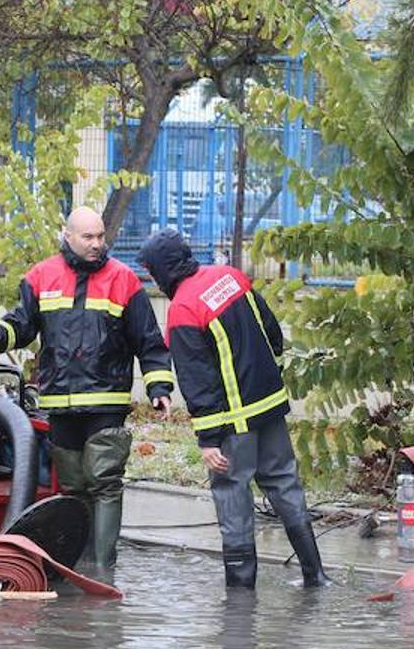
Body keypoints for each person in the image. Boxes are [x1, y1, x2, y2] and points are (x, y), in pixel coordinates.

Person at [0, 206, 174, 574]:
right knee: (74, 487)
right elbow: (21, 325)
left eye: (101, 237)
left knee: (104, 481)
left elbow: (149, 341)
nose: (96, 245)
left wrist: (158, 385)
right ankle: (77, 566)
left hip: (106, 400)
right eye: (88, 237)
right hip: (59, 402)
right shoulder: (41, 277)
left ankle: (102, 566)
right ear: (68, 235)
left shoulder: (123, 280)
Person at [137, 228, 328, 589]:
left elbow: (198, 382)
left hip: (231, 425)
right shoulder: (231, 277)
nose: (152, 279)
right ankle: (315, 575)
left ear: (162, 269)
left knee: (233, 499)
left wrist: (208, 441)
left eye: (151, 272)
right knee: (285, 484)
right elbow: (271, 330)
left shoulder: (182, 310)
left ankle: (240, 601)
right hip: (270, 407)